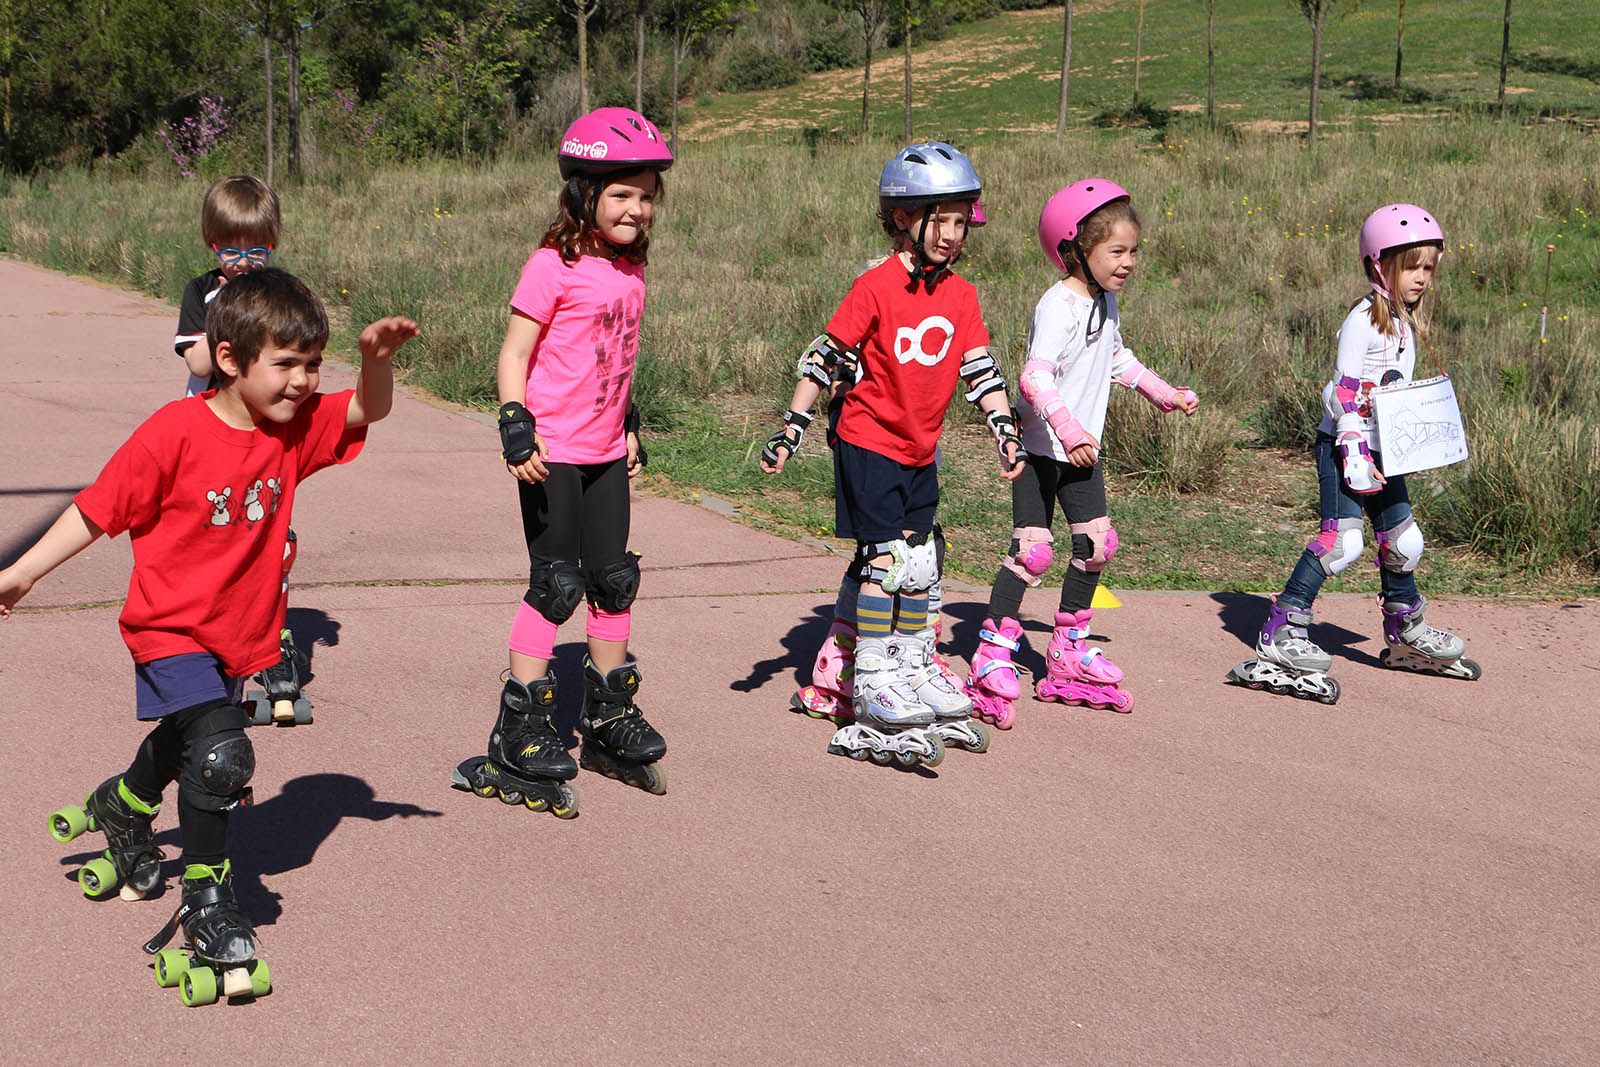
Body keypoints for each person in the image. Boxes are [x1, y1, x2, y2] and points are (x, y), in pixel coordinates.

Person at [7, 269, 417, 1004]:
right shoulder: (173, 432)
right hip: (168, 627)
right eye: (285, 364)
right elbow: (98, 508)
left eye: (312, 364)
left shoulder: (292, 429)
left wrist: (375, 361)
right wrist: (22, 573)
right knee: (224, 754)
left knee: (191, 740)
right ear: (229, 358)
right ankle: (207, 896)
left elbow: (366, 409)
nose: (303, 381)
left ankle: (124, 802)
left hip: (239, 633)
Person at [761, 141, 1021, 768]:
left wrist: (1004, 428)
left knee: (923, 559)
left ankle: (912, 665)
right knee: (885, 561)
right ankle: (872, 677)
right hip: (867, 441)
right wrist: (792, 427)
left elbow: (978, 367)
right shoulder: (875, 287)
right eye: (942, 220)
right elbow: (823, 356)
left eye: (962, 221)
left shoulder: (961, 295)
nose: (953, 235)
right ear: (904, 217)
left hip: (919, 447)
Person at [451, 107, 664, 816]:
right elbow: (515, 352)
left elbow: (613, 356)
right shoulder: (552, 265)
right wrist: (515, 426)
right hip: (552, 452)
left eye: (646, 195)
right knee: (556, 584)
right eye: (622, 194)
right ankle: (520, 727)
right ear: (583, 193)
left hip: (605, 450)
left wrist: (628, 423)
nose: (637, 208)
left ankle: (608, 716)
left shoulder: (631, 267)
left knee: (614, 580)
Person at [1228, 203, 1480, 704]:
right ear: (1379, 266)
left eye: (1429, 267)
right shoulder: (1363, 320)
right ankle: (1283, 628)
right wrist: (1353, 447)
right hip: (1344, 447)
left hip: (1384, 451)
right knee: (1342, 544)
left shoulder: (1405, 323)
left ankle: (1404, 627)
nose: (1422, 278)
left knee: (1404, 543)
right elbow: (1340, 391)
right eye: (1411, 267)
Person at [965, 180, 1197, 726]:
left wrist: (1164, 393)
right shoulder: (1058, 306)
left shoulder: (1103, 301)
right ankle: (991, 652)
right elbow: (1034, 377)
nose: (1128, 262)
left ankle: (1068, 648)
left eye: (1133, 251)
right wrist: (1069, 431)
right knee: (1033, 553)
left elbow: (1117, 360)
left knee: (1096, 545)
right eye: (1116, 251)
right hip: (1043, 448)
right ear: (1075, 249)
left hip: (1081, 451)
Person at [171, 175, 312, 725]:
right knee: (212, 538)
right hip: (208, 435)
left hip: (266, 435)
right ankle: (206, 648)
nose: (245, 263)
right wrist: (234, 315)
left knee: (271, 536)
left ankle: (272, 644)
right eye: (231, 251)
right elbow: (198, 362)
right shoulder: (201, 293)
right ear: (213, 246)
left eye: (258, 251)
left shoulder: (280, 293)